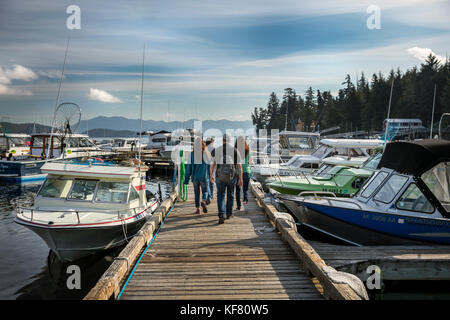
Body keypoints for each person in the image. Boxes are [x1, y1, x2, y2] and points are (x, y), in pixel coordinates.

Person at [210, 134, 243, 224]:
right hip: (232, 176)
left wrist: (211, 175)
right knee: (230, 194)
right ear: (230, 140)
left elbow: (213, 164)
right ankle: (229, 213)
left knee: (220, 195)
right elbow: (239, 166)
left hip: (220, 176)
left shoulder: (217, 149)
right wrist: (240, 179)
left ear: (222, 140)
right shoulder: (235, 150)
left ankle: (221, 214)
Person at [184, 136, 210, 214]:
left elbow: (188, 168)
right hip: (204, 176)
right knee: (205, 191)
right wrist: (211, 175)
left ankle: (198, 209)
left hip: (195, 177)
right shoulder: (206, 153)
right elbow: (210, 166)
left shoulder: (192, 154)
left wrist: (186, 179)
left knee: (197, 192)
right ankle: (204, 201)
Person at [234, 136, 251, 212]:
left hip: (237, 173)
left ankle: (238, 206)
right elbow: (250, 162)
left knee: (237, 190)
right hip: (246, 172)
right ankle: (245, 201)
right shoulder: (248, 150)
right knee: (245, 189)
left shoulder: (235, 151)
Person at [205, 137, 215, 203]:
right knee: (212, 180)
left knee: (207, 181)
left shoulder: (204, 148)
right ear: (212, 142)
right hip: (212, 165)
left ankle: (208, 196)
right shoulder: (214, 148)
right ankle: (211, 195)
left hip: (206, 165)